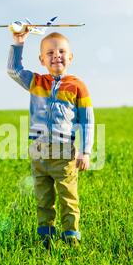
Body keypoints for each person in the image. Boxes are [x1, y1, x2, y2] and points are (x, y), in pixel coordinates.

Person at [7, 27, 94, 249]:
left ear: (71, 57)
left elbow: (87, 121)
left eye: (62, 51)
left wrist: (85, 151)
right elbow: (14, 70)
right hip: (38, 151)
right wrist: (18, 42)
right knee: (43, 198)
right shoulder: (36, 82)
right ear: (42, 59)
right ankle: (45, 237)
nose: (57, 56)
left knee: (68, 197)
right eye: (50, 53)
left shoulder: (77, 86)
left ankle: (71, 236)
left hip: (64, 152)